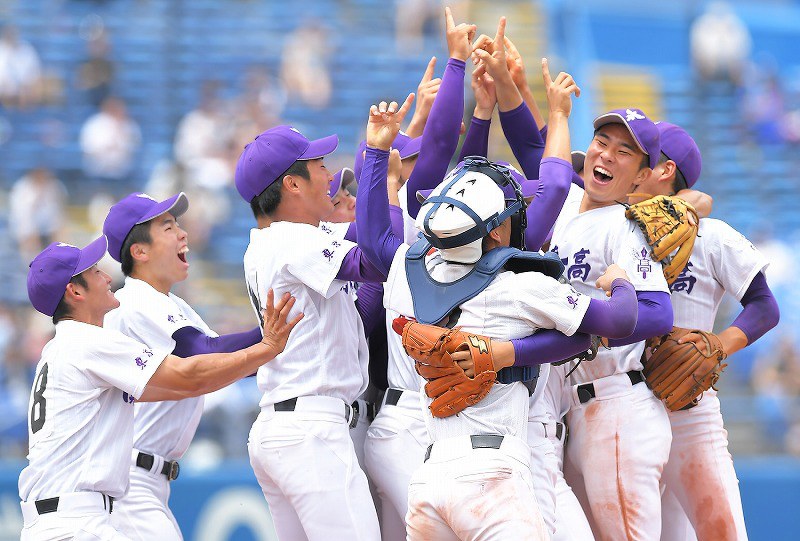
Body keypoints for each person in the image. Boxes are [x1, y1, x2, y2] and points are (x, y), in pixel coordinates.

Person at [355, 27, 641, 539]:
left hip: (431, 468)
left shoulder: (405, 264)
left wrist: (376, 152)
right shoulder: (518, 283)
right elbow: (620, 317)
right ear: (498, 225)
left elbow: (377, 233)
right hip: (492, 474)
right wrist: (618, 282)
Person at [18, 237, 300, 541]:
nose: (107, 277)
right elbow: (187, 377)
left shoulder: (62, 347)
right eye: (95, 272)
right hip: (76, 522)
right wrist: (267, 346)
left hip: (63, 519)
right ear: (74, 291)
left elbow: (182, 388)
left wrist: (262, 355)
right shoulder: (87, 341)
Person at [235, 122, 393, 540]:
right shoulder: (292, 241)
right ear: (292, 184)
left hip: (282, 423)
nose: (328, 174)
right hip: (310, 428)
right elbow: (377, 262)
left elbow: (375, 233)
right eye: (318, 164)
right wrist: (377, 160)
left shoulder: (272, 241)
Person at [633, 122, 780, 541]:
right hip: (619, 401)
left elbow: (764, 306)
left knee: (723, 533)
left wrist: (718, 344)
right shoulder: (610, 229)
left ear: (665, 170)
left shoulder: (712, 235)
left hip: (687, 406)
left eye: (642, 154)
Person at [99, 191, 270, 540]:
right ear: (140, 251)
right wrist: (283, 328)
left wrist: (283, 339)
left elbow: (226, 363)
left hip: (140, 478)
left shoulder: (167, 302)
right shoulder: (134, 300)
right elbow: (202, 353)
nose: (183, 233)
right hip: (129, 480)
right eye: (167, 226)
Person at [544, 107, 675, 540]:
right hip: (572, 412)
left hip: (616, 406)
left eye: (625, 152)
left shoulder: (624, 226)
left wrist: (590, 332)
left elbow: (659, 312)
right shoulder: (563, 208)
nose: (607, 155)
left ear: (640, 178)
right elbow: (537, 154)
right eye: (602, 143)